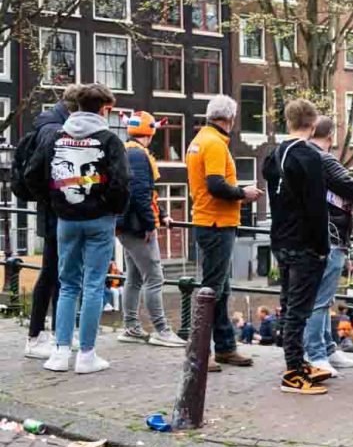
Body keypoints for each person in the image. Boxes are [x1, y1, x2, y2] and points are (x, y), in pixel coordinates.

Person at [26, 83, 130, 374]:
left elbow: (32, 174)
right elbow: (122, 182)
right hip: (98, 221)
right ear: (104, 109)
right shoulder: (109, 140)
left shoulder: (56, 137)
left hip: (66, 220)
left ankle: (60, 353)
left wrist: (55, 201)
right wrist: (111, 208)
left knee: (67, 283)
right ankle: (86, 355)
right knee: (94, 285)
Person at [187, 95, 262, 370]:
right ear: (230, 119)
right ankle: (200, 352)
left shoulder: (198, 141)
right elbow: (216, 185)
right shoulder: (215, 144)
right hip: (217, 224)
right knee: (212, 291)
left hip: (208, 221)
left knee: (221, 288)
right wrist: (244, 193)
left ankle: (225, 347)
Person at [262, 98, 330, 394]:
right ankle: (292, 371)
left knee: (290, 303)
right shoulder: (309, 157)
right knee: (299, 309)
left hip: (280, 239)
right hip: (305, 243)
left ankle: (298, 361)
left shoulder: (272, 155)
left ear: (288, 122)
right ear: (313, 125)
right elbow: (317, 207)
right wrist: (322, 246)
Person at [115, 111, 185, 348]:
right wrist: (150, 224)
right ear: (150, 132)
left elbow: (148, 193)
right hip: (137, 227)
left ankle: (131, 327)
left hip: (125, 225)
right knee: (155, 277)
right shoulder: (138, 155)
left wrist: (163, 214)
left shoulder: (127, 151)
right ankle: (161, 330)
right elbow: (140, 194)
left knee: (134, 277)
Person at [301, 116, 353, 377]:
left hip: (315, 235)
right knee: (320, 299)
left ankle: (327, 347)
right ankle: (315, 353)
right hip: (332, 236)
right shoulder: (324, 159)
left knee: (323, 298)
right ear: (330, 137)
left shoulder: (303, 156)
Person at [24, 86, 82, 359]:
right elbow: (34, 174)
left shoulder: (52, 124)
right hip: (54, 213)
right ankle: (36, 337)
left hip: (53, 210)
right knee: (52, 273)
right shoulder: (52, 130)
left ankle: (60, 332)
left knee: (58, 273)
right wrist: (52, 200)